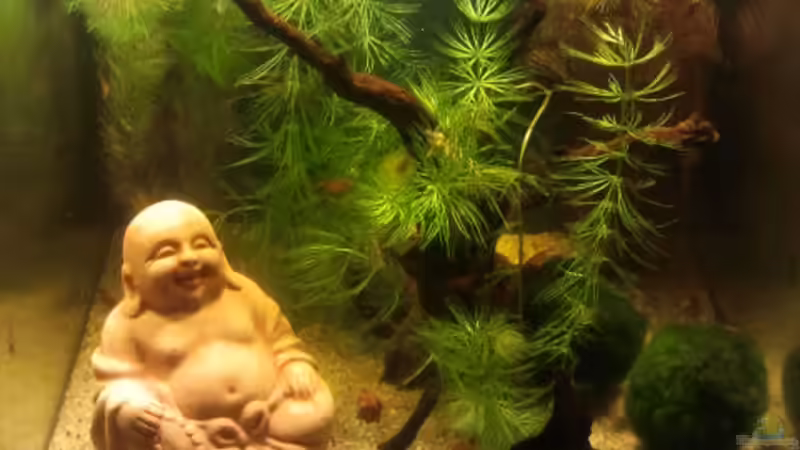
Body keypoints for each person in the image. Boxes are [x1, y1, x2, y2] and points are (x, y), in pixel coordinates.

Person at [91, 200, 334, 450]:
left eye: (200, 245)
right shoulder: (127, 324)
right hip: (190, 428)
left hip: (270, 408)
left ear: (221, 254)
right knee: (155, 432)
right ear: (131, 279)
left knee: (314, 410)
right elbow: (117, 384)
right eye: (166, 253)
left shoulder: (244, 293)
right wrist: (133, 407)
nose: (189, 257)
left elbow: (280, 338)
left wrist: (294, 365)